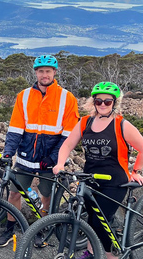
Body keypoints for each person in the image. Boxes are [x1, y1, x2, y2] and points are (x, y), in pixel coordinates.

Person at [53, 82, 143, 259]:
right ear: (93, 102)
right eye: (98, 101)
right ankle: (92, 252)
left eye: (107, 102)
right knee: (92, 220)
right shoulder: (85, 123)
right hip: (90, 179)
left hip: (115, 181)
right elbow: (68, 145)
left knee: (99, 221)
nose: (102, 104)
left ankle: (111, 255)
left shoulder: (121, 125)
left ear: (114, 103)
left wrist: (137, 171)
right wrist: (60, 163)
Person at [0, 54, 80, 248]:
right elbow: (16, 129)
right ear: (35, 72)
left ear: (54, 73)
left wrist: (52, 158)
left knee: (46, 195)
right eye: (41, 71)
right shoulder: (24, 96)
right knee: (14, 194)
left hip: (49, 160)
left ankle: (41, 229)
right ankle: (10, 229)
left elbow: (69, 136)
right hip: (26, 156)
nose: (44, 75)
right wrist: (8, 152)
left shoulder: (67, 98)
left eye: (48, 71)